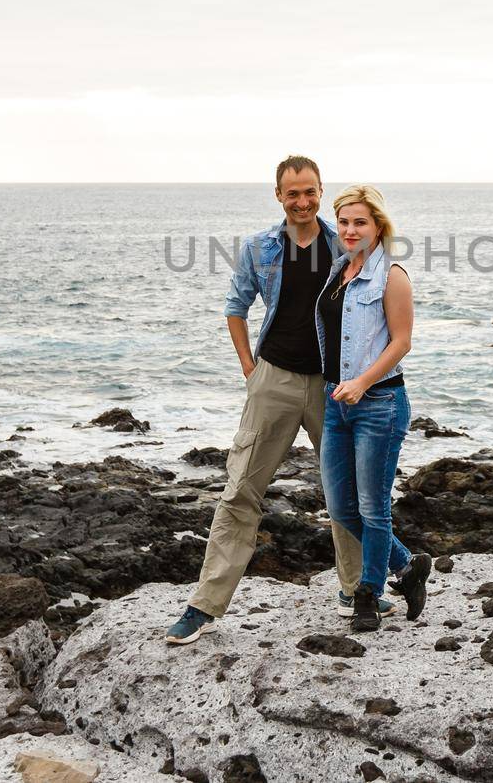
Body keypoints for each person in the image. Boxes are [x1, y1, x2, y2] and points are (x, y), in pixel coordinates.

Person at [166, 156, 377, 645]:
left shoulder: (344, 243)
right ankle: (204, 605)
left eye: (310, 192)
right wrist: (249, 367)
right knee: (241, 489)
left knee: (347, 493)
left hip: (333, 387)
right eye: (292, 193)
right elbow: (235, 308)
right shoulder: (259, 247)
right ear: (278, 195)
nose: (301, 201)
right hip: (274, 380)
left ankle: (356, 590)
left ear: (321, 192)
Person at [316, 184, 431, 632]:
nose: (349, 229)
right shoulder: (337, 271)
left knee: (373, 508)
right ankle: (408, 567)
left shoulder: (393, 276)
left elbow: (402, 341)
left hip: (379, 403)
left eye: (359, 221)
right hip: (336, 404)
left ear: (378, 225)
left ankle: (369, 595)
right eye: (343, 221)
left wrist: (363, 383)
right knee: (342, 510)